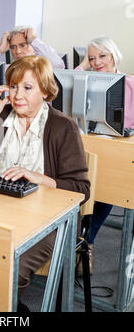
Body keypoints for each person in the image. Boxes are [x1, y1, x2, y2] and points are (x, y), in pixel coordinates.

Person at [0, 55, 90, 310]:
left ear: (45, 92)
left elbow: (81, 189)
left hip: (49, 223)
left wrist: (40, 178)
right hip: (1, 209)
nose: (17, 95)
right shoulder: (1, 118)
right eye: (13, 86)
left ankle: (3, 308)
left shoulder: (62, 127)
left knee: (12, 263)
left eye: (27, 87)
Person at [76, 35, 134, 273]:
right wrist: (83, 67)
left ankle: (86, 242)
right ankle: (78, 240)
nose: (97, 61)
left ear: (113, 56)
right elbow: (62, 88)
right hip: (90, 147)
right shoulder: (85, 83)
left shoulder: (130, 83)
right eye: (92, 58)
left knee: (105, 188)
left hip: (120, 154)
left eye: (102, 56)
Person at [0, 25, 65, 69]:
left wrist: (34, 40)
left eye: (22, 45)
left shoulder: (42, 70)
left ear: (33, 47)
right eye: (13, 47)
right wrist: (0, 49)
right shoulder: (9, 69)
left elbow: (58, 65)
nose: (17, 51)